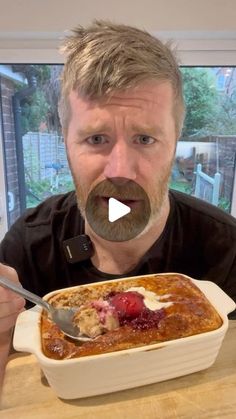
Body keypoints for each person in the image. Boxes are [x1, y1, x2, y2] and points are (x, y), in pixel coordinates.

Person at [0, 20, 236, 388]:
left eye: (145, 138)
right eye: (96, 138)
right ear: (66, 143)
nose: (121, 170)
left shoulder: (227, 249)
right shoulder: (29, 248)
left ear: (175, 143)